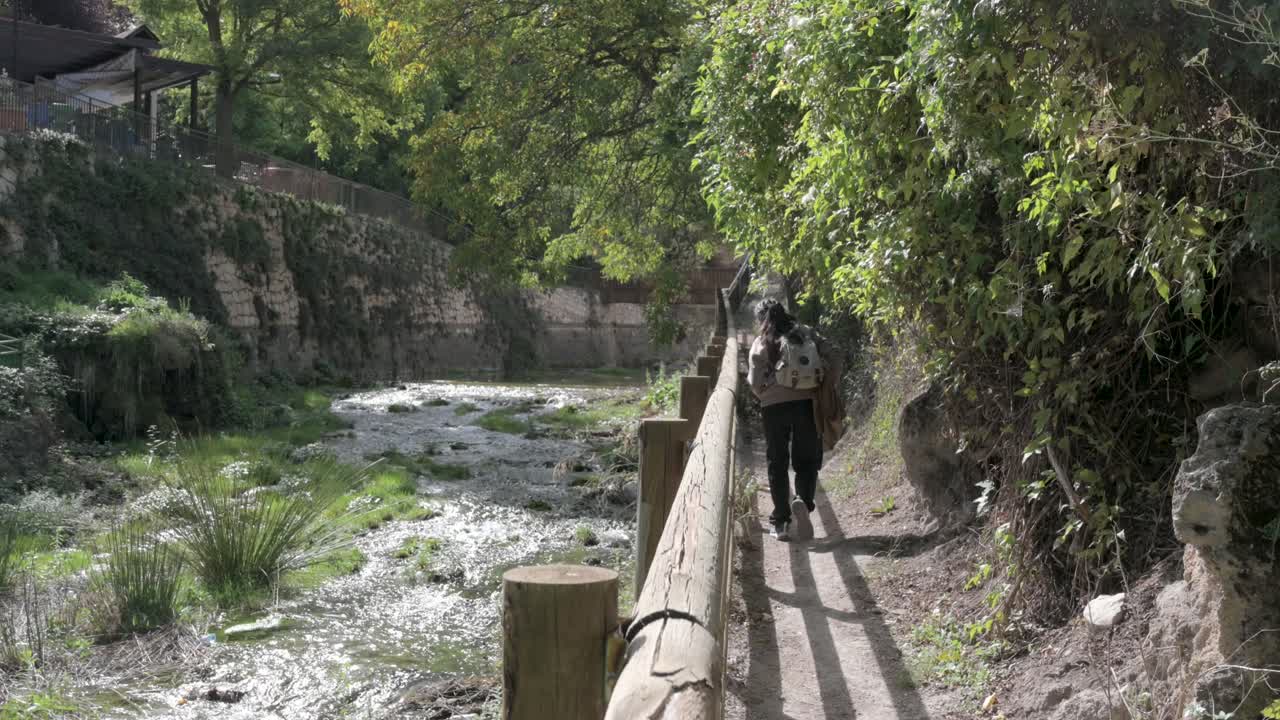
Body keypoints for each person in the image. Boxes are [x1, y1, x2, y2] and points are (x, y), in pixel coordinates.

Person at [747, 298, 829, 541]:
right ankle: (803, 500)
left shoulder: (761, 341)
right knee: (806, 458)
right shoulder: (805, 333)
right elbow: (833, 354)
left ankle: (781, 522)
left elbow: (754, 381)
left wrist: (765, 393)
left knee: (777, 461)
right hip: (806, 402)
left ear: (760, 319)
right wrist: (825, 385)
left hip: (773, 406)